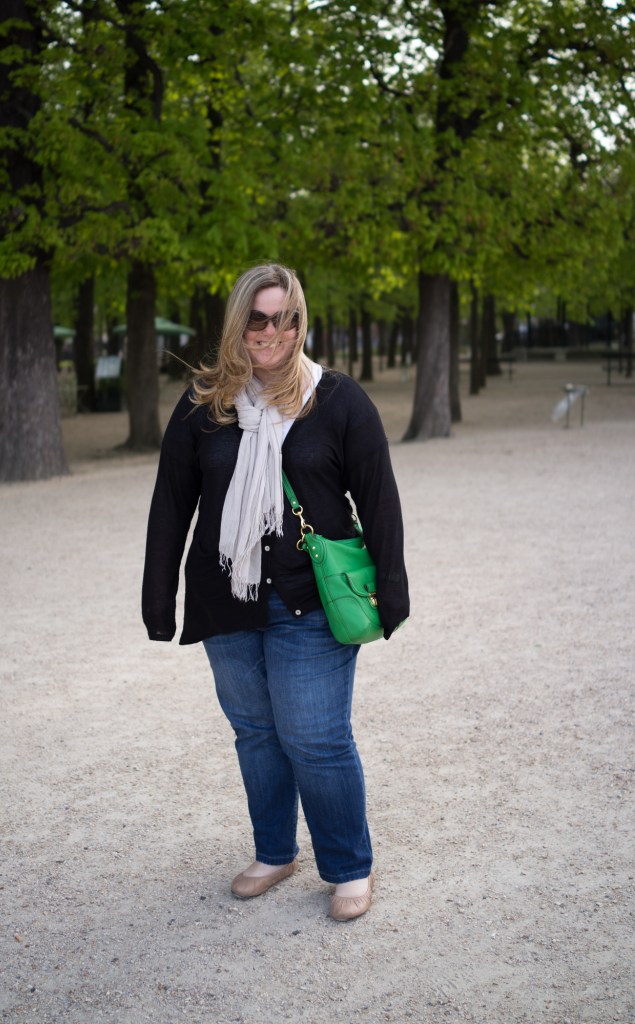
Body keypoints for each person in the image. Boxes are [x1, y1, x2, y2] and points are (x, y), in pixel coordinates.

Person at [142, 263, 409, 921]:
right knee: (256, 733)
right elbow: (172, 503)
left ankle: (347, 866)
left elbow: (378, 498)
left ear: (299, 323)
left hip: (309, 600)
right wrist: (157, 594)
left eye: (284, 318)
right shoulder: (205, 402)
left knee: (314, 736)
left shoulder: (337, 399)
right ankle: (274, 851)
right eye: (258, 318)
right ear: (238, 323)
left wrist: (393, 589)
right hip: (223, 596)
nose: (271, 331)